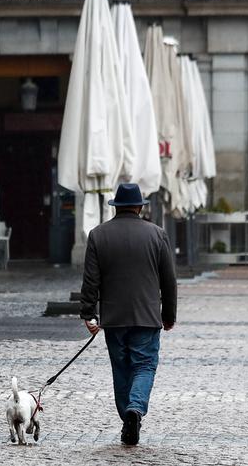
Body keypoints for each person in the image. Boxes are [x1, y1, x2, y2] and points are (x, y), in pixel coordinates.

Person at [79, 183, 177, 446]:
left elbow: (91, 281)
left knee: (121, 369)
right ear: (139, 207)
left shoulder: (98, 235)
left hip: (114, 319)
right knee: (144, 365)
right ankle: (135, 409)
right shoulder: (157, 235)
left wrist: (89, 314)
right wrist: (168, 315)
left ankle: (127, 418)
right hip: (147, 317)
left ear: (116, 207)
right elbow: (169, 281)